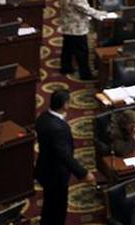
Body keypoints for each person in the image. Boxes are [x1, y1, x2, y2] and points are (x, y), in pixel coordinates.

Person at [36, 89, 94, 225]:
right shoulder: (58, 128)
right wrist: (83, 173)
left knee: (49, 203)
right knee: (58, 208)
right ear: (65, 105)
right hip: (56, 175)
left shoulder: (42, 117)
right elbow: (64, 155)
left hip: (44, 168)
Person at [58, 0, 110, 79]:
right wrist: (101, 14)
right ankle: (85, 74)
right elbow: (85, 9)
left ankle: (66, 67)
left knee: (67, 47)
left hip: (66, 23)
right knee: (82, 51)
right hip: (77, 27)